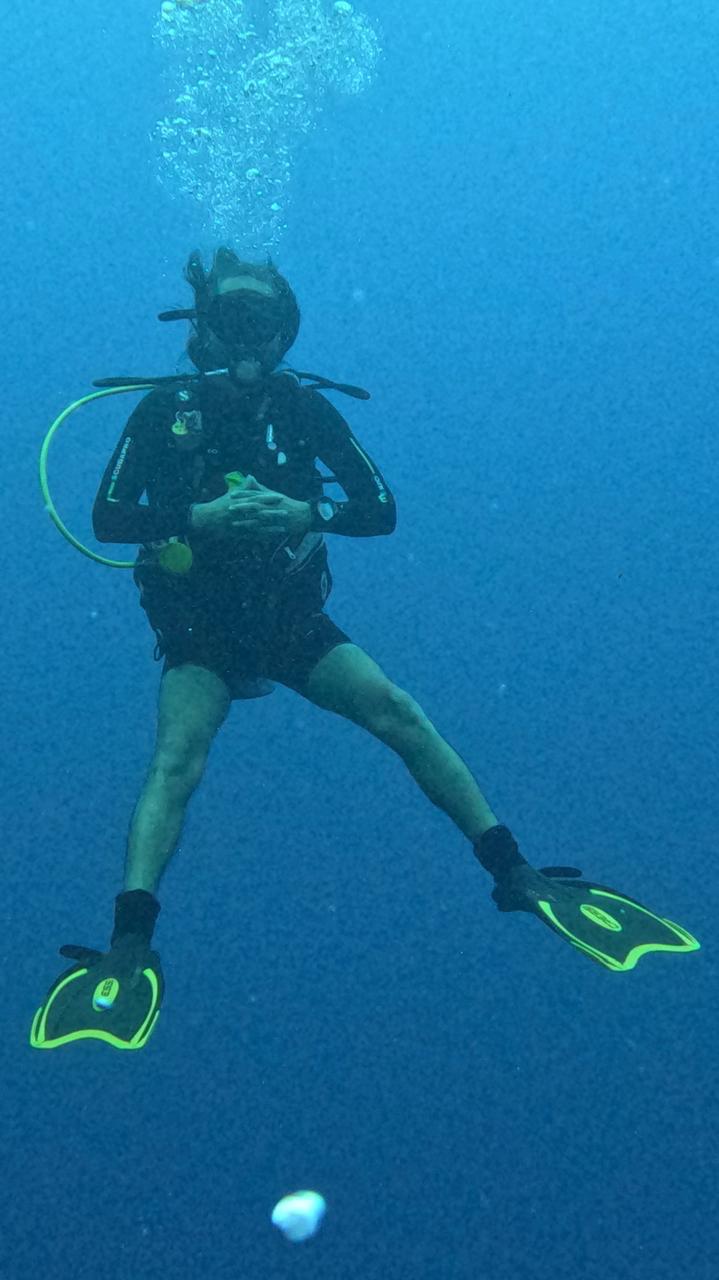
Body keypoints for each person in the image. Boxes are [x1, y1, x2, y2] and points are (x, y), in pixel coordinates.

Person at [31, 248, 700, 1051]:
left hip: (286, 618)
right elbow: (107, 518)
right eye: (232, 319)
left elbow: (379, 509)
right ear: (202, 330)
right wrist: (199, 521)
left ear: (285, 333)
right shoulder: (165, 409)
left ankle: (516, 873)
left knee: (398, 713)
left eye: (264, 321)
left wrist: (299, 513)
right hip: (200, 625)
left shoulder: (306, 410)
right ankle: (129, 940)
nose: (249, 337)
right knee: (176, 758)